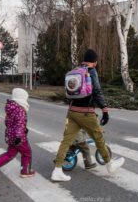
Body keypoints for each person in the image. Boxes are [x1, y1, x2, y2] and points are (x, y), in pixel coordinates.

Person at [51, 49, 125, 182]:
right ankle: (109, 164)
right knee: (99, 136)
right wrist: (104, 109)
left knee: (66, 141)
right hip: (86, 112)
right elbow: (96, 91)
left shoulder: (75, 70)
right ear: (95, 61)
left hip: (72, 111)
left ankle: (57, 170)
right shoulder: (91, 72)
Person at [0, 88, 35, 178]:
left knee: (10, 153)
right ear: (21, 98)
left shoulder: (11, 108)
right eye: (26, 98)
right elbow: (19, 125)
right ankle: (25, 171)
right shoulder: (20, 110)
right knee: (27, 152)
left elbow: (8, 122)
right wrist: (19, 137)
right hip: (19, 138)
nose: (26, 100)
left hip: (11, 135)